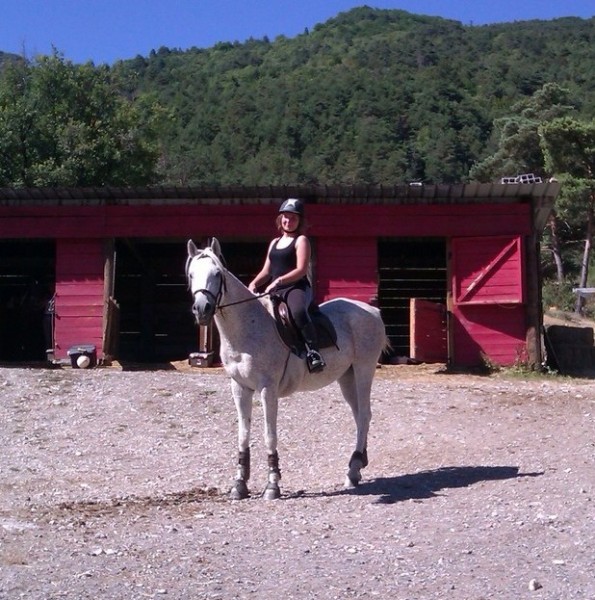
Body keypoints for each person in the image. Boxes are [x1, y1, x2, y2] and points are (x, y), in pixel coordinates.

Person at [249, 198, 326, 373]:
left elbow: (300, 269)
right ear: (280, 218)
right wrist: (254, 283)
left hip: (296, 287)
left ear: (299, 221)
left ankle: (313, 352)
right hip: (276, 290)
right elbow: (266, 271)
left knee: (297, 311)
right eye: (285, 217)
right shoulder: (274, 243)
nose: (288, 221)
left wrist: (279, 281)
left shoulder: (301, 241)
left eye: (293, 218)